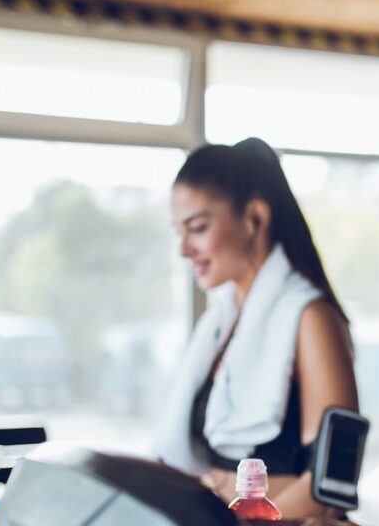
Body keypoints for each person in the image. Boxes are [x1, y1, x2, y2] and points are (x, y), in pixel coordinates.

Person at [154, 137, 359, 520]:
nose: (183, 249)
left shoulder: (310, 317)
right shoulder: (222, 325)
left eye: (197, 228)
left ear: (255, 219)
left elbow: (331, 484)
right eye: (177, 231)